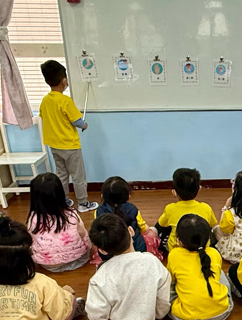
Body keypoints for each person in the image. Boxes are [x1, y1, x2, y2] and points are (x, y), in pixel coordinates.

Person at [86, 213, 171, 320]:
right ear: (131, 231)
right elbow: (163, 302)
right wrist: (156, 315)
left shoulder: (100, 276)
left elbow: (96, 316)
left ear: (102, 251)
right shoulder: (153, 261)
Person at [39, 59, 98, 213]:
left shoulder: (45, 100)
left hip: (54, 146)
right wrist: (85, 125)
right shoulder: (65, 101)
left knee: (62, 175)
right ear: (64, 81)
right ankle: (83, 203)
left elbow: (44, 117)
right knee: (78, 176)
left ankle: (64, 201)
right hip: (70, 146)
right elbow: (77, 121)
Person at [167, 214, 233, 320]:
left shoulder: (174, 255)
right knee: (219, 272)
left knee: (168, 282)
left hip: (186, 317)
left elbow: (171, 281)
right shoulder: (214, 253)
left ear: (179, 240)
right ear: (208, 239)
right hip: (222, 312)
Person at [27, 173, 94, 272]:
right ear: (61, 193)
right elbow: (83, 234)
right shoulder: (72, 214)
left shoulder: (33, 218)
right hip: (78, 259)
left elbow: (31, 239)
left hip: (48, 264)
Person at [96, 175, 163, 261]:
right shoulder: (133, 209)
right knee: (152, 231)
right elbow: (143, 229)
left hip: (110, 252)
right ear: (128, 196)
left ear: (102, 196)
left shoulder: (99, 212)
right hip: (136, 247)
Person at [156, 168, 218, 253]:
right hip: (202, 247)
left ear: (174, 192)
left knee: (165, 228)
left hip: (176, 249)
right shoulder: (206, 207)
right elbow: (212, 224)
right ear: (199, 189)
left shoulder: (170, 208)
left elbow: (161, 224)